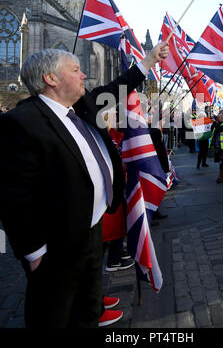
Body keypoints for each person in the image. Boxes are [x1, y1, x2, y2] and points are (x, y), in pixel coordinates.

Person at [0, 42, 169, 328]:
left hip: (93, 228)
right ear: (51, 79)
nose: (84, 76)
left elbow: (118, 86)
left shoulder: (81, 104)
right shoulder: (22, 122)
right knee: (55, 314)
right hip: (58, 244)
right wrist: (34, 252)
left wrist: (150, 60)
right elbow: (15, 197)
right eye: (76, 70)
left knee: (88, 308)